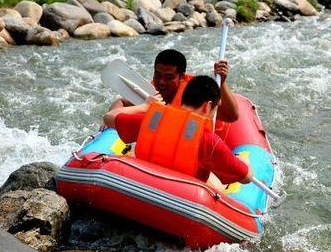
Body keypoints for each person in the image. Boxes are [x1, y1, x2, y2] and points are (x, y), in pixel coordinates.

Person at [103, 75, 251, 185]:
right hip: (183, 199)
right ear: (208, 105)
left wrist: (144, 107)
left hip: (140, 184)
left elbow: (108, 117)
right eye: (215, 109)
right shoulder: (209, 141)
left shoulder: (151, 120)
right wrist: (242, 159)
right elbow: (246, 177)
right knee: (215, 181)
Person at [108, 49, 239, 123]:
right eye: (157, 75)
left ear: (181, 77)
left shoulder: (195, 93)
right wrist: (106, 129)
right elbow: (120, 103)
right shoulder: (151, 91)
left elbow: (231, 116)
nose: (161, 82)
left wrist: (221, 82)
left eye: (169, 77)